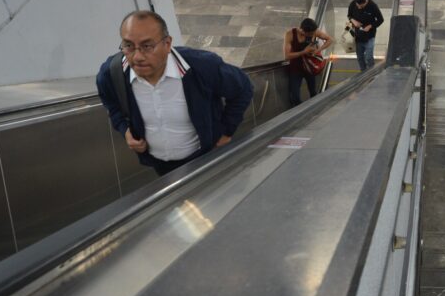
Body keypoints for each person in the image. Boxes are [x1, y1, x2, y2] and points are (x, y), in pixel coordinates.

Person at [96, 10, 253, 176]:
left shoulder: (202, 66)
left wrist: (226, 132)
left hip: (205, 158)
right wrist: (125, 130)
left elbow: (243, 88)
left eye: (147, 46)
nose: (137, 57)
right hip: (160, 166)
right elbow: (111, 104)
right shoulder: (111, 74)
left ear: (167, 43)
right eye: (128, 46)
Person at [283, 18, 333, 107]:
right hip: (296, 68)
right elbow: (287, 56)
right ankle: (301, 112)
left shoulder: (314, 31)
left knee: (313, 93)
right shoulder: (290, 34)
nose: (312, 35)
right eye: (310, 34)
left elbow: (329, 39)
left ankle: (313, 112)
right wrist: (304, 52)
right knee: (295, 96)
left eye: (313, 34)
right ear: (303, 30)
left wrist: (318, 50)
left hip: (310, 68)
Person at [347, 0, 385, 72]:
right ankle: (363, 72)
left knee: (368, 57)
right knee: (360, 57)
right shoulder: (353, 4)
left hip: (369, 36)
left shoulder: (373, 6)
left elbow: (380, 19)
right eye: (357, 5)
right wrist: (354, 21)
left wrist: (370, 26)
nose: (358, 7)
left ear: (364, 3)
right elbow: (349, 15)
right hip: (357, 35)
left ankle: (372, 73)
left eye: (360, 6)